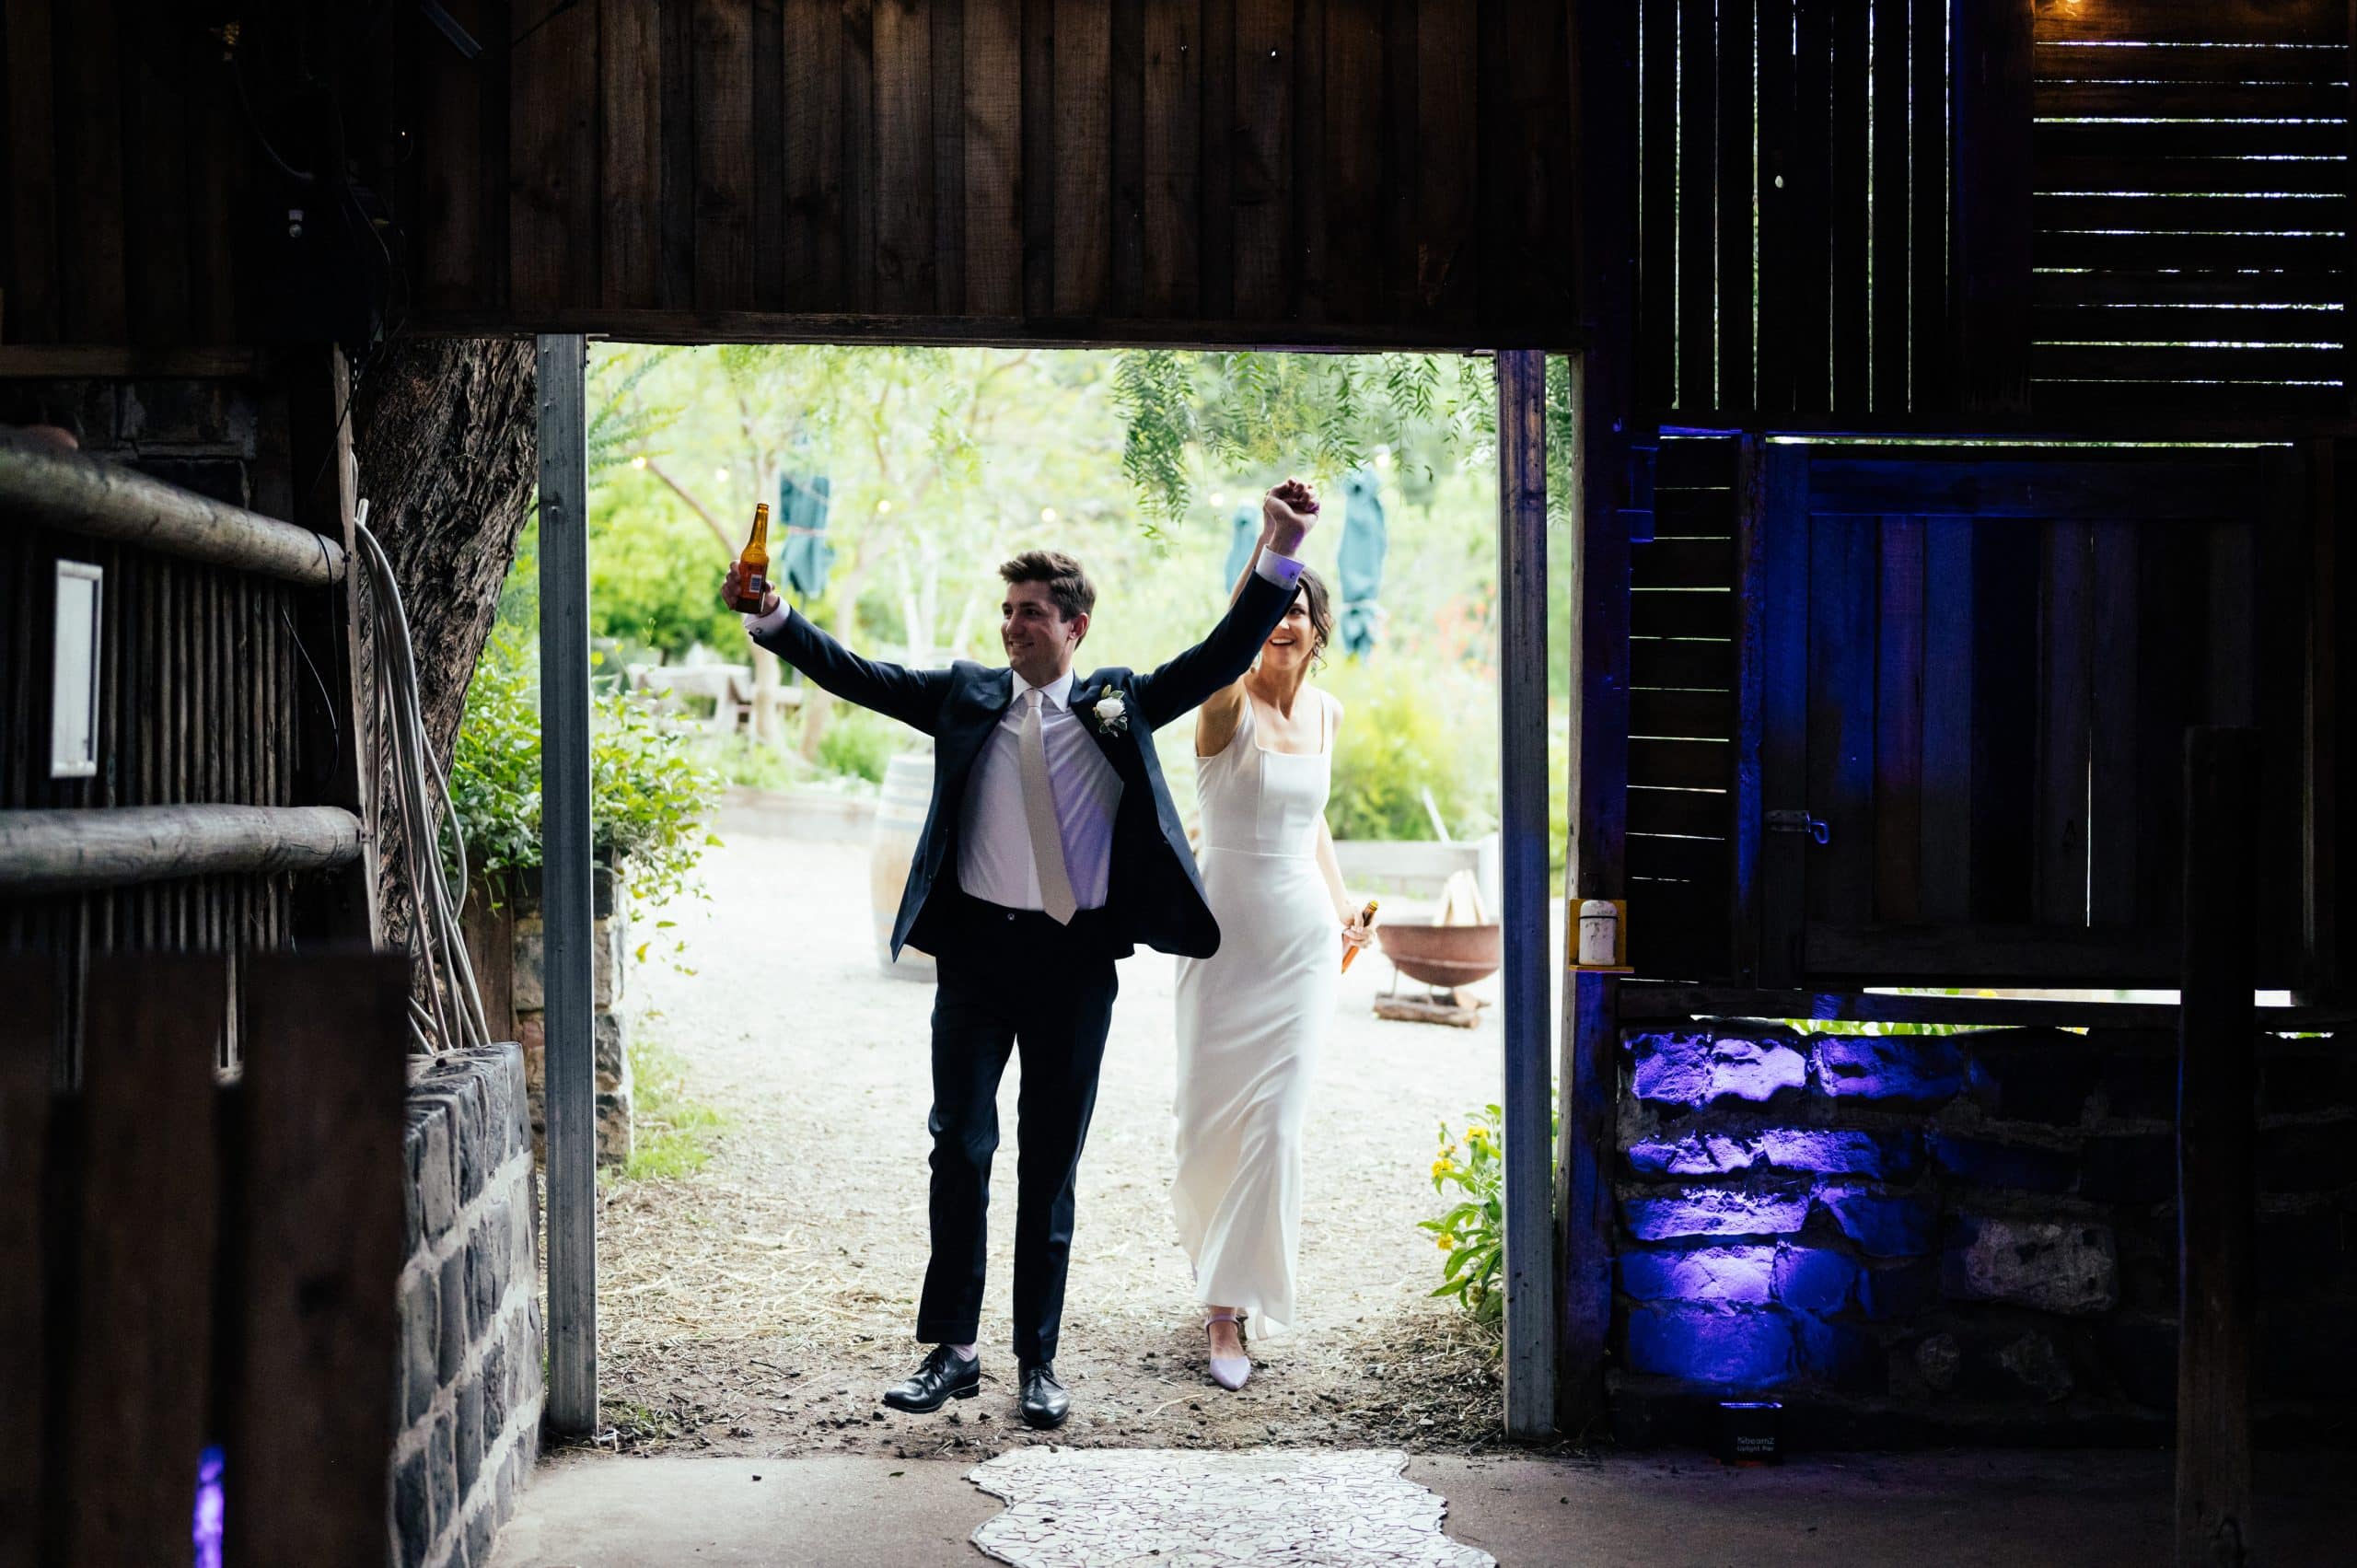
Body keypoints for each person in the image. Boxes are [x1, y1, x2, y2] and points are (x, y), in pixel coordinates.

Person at [722, 484, 1320, 1431]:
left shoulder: (1118, 701)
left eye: (1031, 613)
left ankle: (1037, 1359)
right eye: (1006, 612)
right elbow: (858, 673)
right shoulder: (964, 696)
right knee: (957, 1146)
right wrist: (773, 618)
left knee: (1048, 1165)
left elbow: (1220, 653)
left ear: (1074, 626)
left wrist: (1283, 548)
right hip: (972, 962)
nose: (1012, 627)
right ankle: (951, 1351)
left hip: (1073, 966)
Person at [1172, 485, 1371, 1391]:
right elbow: (1223, 652)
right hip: (1220, 940)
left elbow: (1315, 824)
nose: (1283, 622)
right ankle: (1216, 1293)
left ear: (1319, 628)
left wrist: (1343, 914)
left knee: (1279, 1125)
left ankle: (1230, 1309)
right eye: (1271, 607)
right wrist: (1268, 546)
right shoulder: (1224, 707)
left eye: (1296, 610)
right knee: (1212, 1122)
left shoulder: (1326, 714)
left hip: (1297, 948)